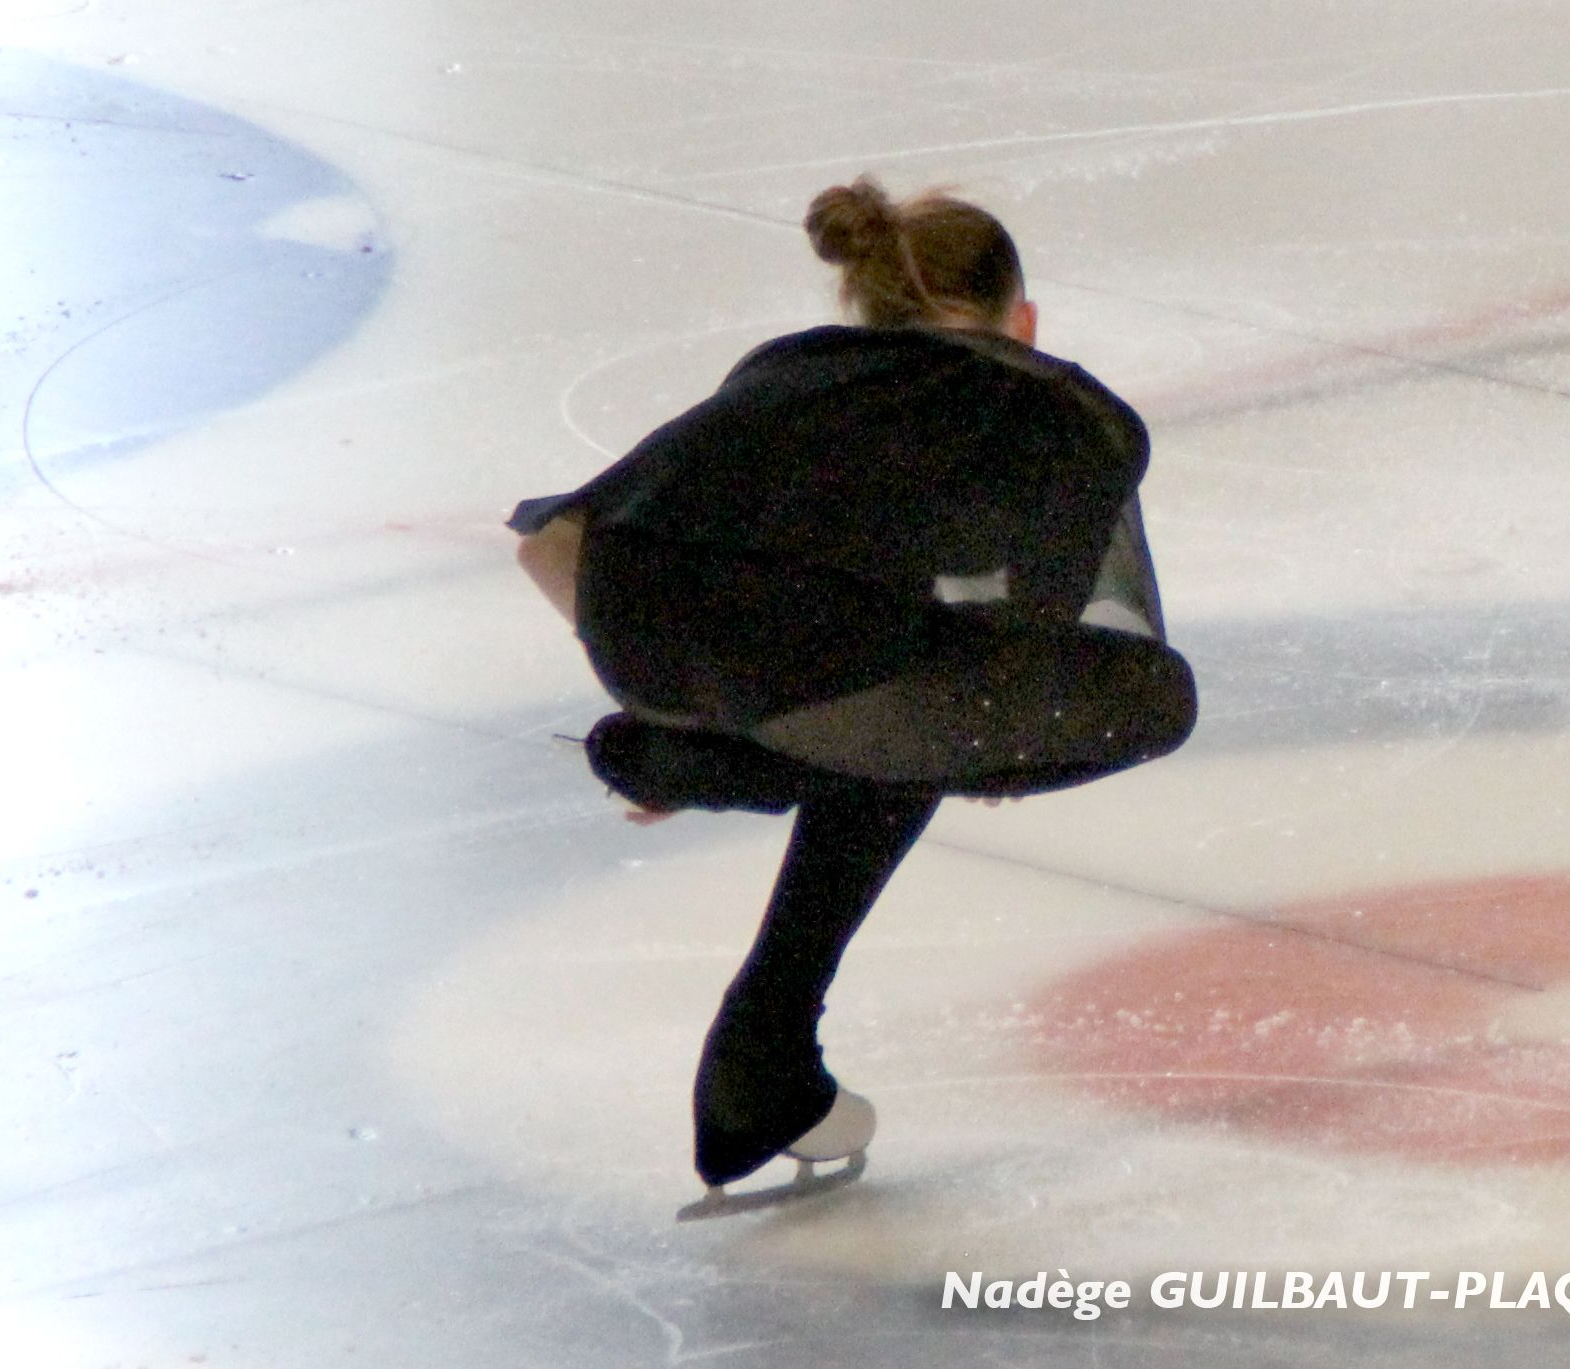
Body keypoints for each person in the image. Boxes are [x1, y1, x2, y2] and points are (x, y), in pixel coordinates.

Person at [509, 176, 1197, 1205]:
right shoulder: (1051, 408)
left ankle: (710, 803)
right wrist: (998, 747)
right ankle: (755, 1004)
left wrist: (673, 694)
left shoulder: (788, 374)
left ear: (864, 313)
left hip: (632, 626)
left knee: (883, 678)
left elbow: (549, 543)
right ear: (1024, 322)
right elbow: (1043, 627)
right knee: (1149, 698)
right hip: (825, 668)